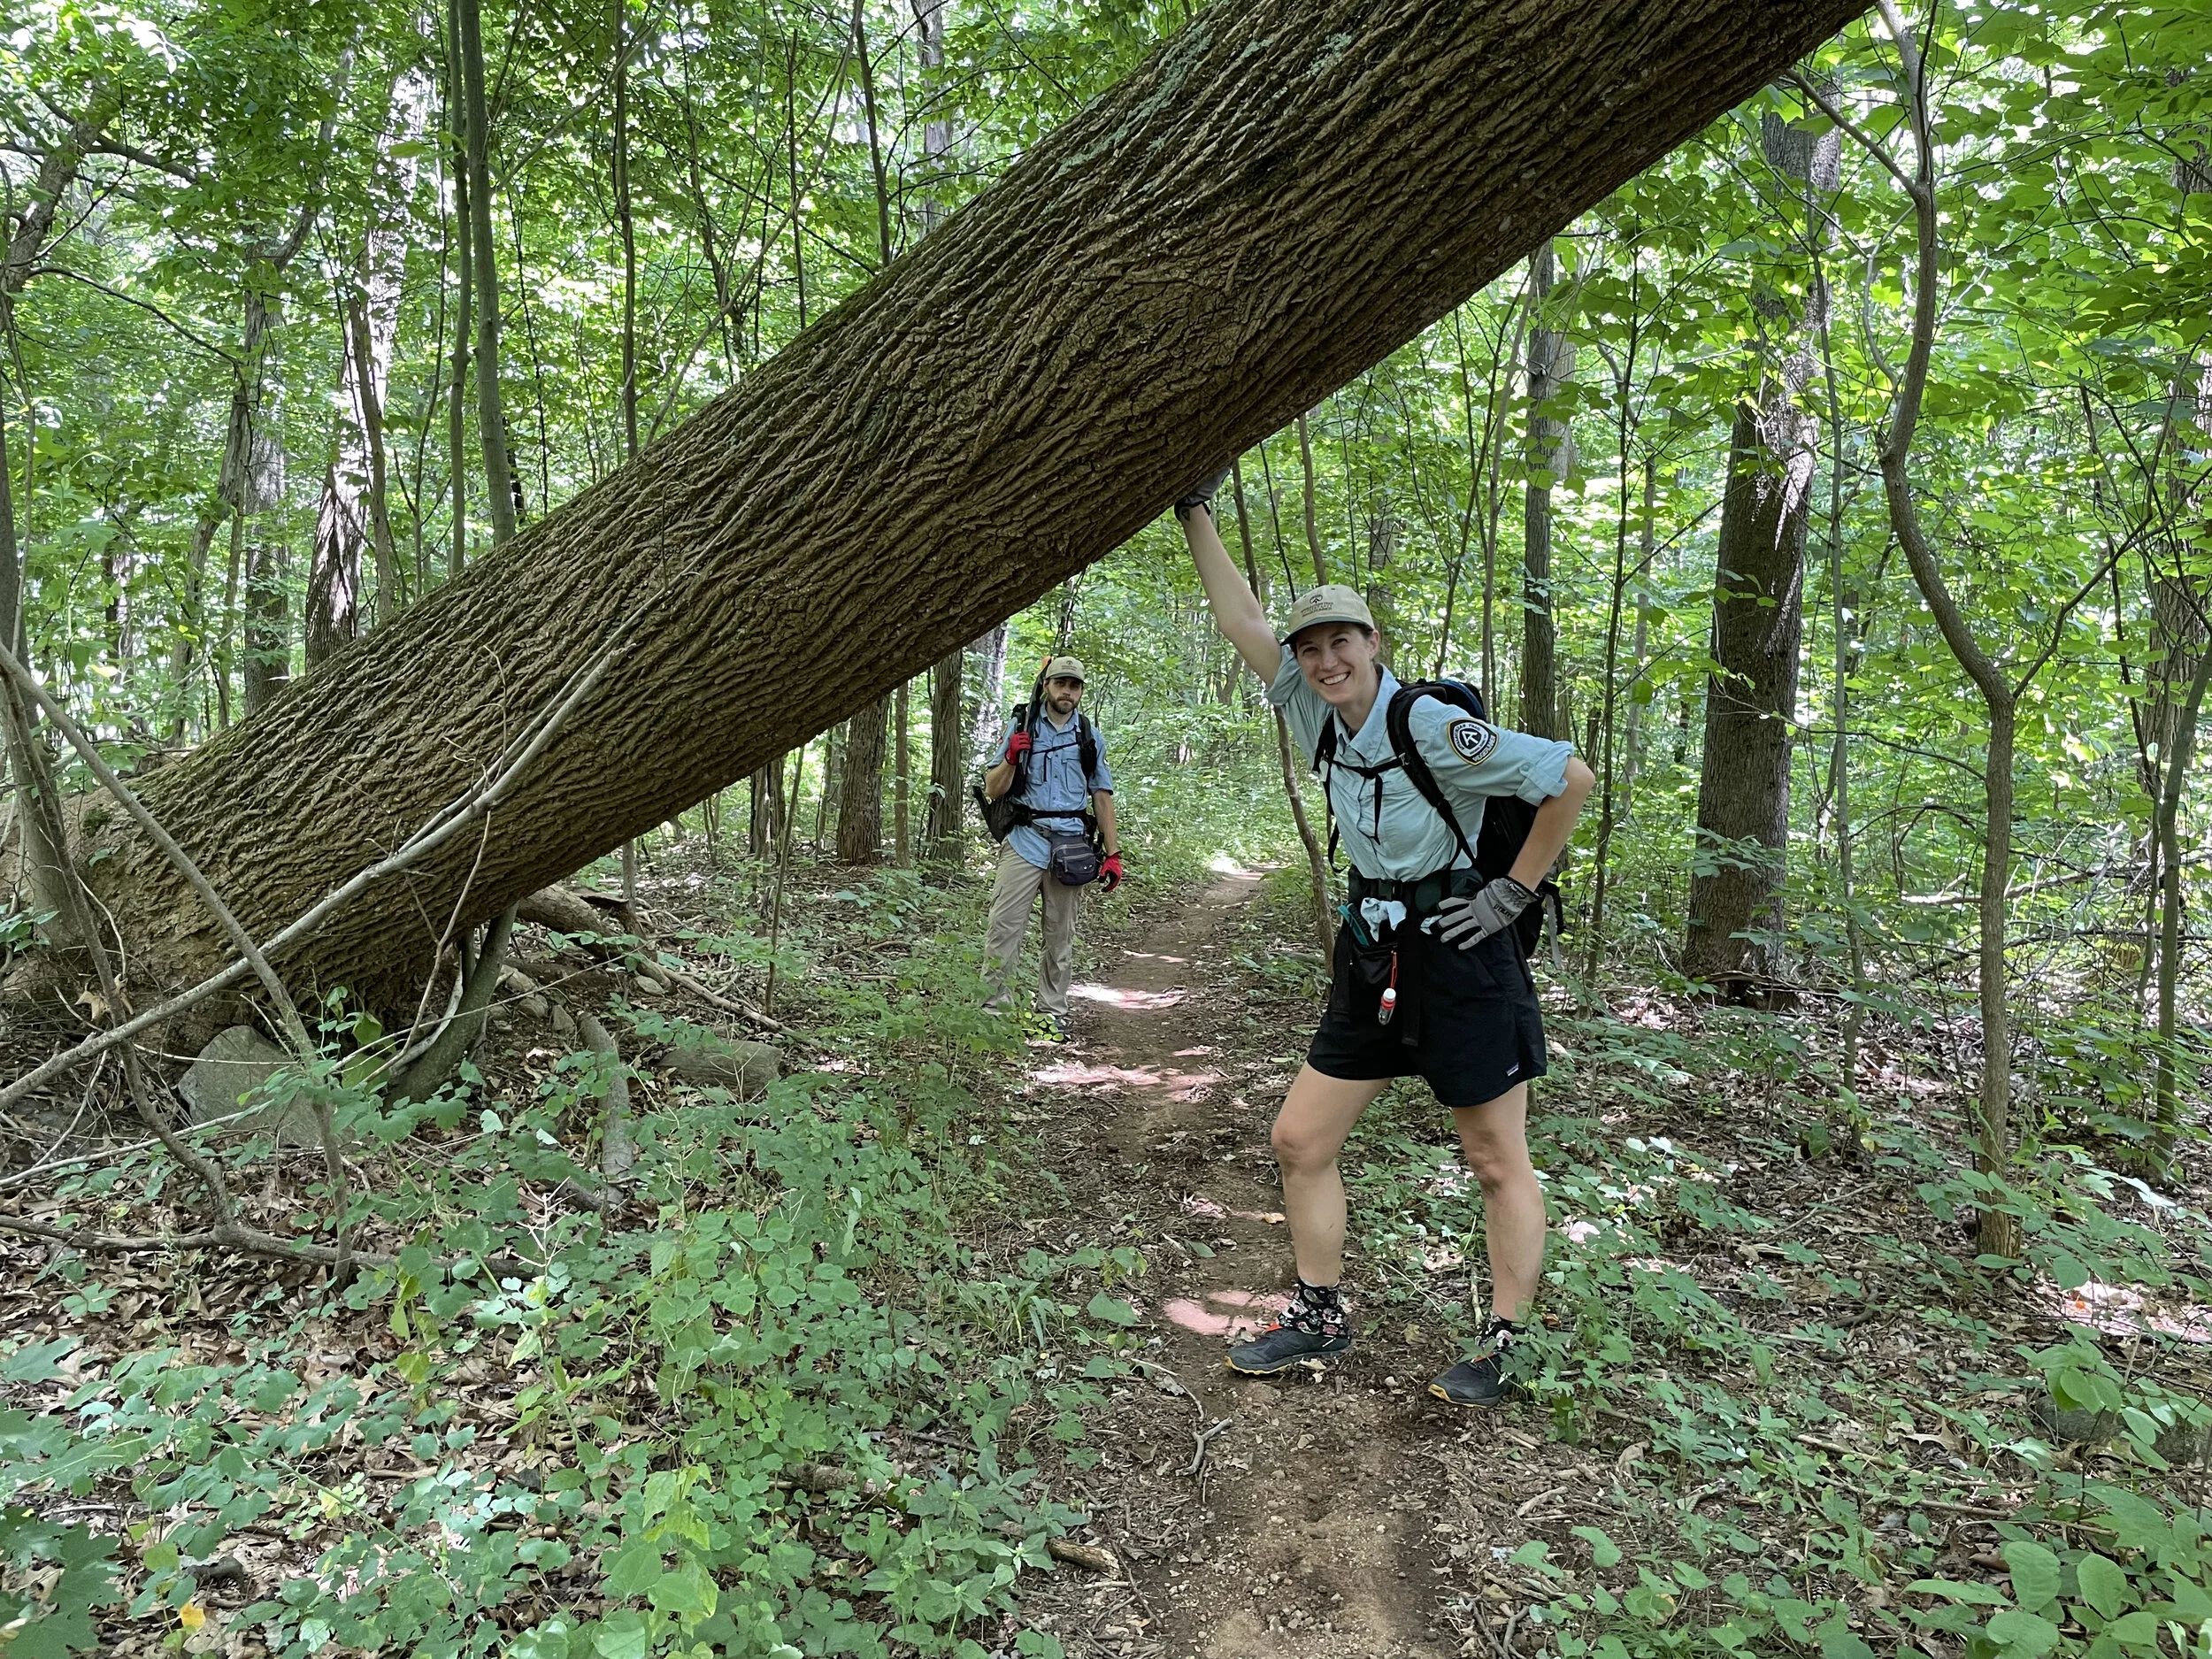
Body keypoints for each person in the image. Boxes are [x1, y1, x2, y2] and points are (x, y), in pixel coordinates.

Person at [1171, 471, 1594, 1409]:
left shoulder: (1433, 723)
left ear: (1374, 644)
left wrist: (1510, 894)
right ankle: (1320, 1312)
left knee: (1493, 1156)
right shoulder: (1311, 713)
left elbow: (1570, 776)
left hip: (1460, 948)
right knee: (1298, 1138)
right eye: (1312, 648)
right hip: (1373, 949)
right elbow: (1241, 619)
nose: (1326, 660)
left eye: (1342, 642)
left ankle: (1506, 1340)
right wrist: (1193, 510)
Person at [980, 656, 1124, 1042]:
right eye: (1060, 683)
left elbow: (1102, 795)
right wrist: (1011, 755)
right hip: (1024, 842)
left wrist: (1112, 854)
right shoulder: (1023, 723)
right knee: (1003, 931)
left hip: (1072, 848)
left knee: (1060, 936)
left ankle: (1049, 1015)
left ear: (1080, 691)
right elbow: (993, 789)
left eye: (1074, 685)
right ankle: (993, 1016)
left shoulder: (1089, 736)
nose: (1067, 691)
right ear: (1046, 685)